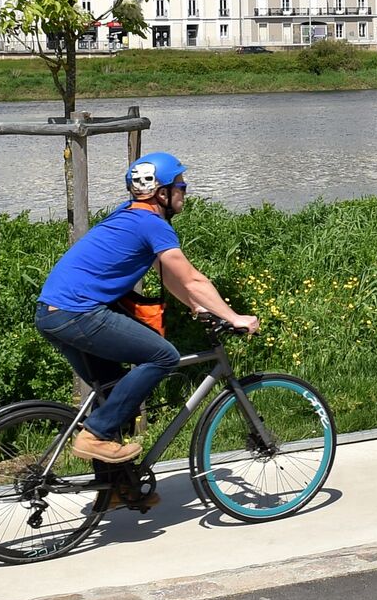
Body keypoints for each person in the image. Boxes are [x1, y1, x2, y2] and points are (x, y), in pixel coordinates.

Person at [36, 153, 259, 464]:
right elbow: (193, 279)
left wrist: (198, 307)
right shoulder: (152, 225)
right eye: (180, 184)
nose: (185, 189)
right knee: (163, 355)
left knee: (112, 392)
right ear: (161, 192)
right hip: (78, 313)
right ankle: (93, 435)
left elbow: (172, 278)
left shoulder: (130, 216)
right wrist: (234, 317)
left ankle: (115, 489)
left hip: (53, 313)